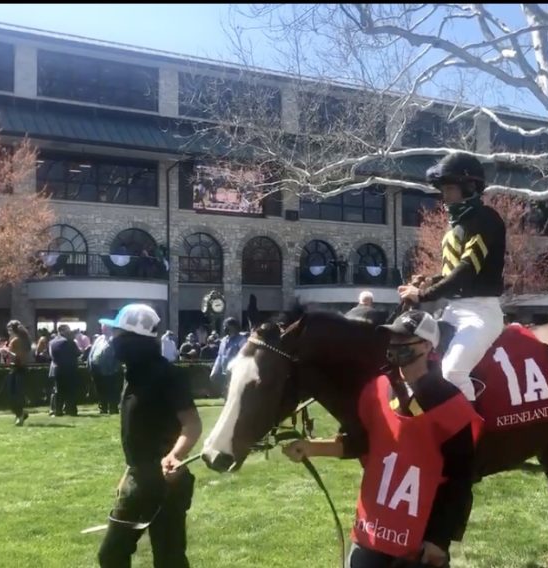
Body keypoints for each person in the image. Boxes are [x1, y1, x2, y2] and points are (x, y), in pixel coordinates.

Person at [283, 310, 481, 567]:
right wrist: (311, 447)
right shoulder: (378, 389)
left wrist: (439, 539)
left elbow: (460, 479)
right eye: (392, 339)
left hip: (419, 540)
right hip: (372, 528)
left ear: (426, 345)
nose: (395, 345)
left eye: (403, 339)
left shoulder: (452, 405)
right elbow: (362, 441)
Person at [97, 304, 202, 568]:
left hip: (167, 481)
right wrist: (127, 473)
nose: (113, 340)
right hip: (137, 478)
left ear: (135, 339)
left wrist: (175, 456)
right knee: (111, 554)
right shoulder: (132, 374)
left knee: (169, 559)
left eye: (118, 334)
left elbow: (192, 425)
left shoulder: (169, 375)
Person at [398, 152, 506, 401]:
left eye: (449, 189)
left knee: (452, 373)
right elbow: (450, 274)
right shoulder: (454, 227)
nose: (444, 196)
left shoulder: (485, 219)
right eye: (442, 190)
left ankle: (470, 432)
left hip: (482, 314)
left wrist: (422, 294)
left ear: (469, 188)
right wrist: (428, 281)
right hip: (452, 312)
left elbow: (465, 272)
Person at [0, 320, 33, 426]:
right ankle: (21, 414)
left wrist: (6, 351)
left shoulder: (17, 340)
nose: (8, 331)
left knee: (14, 395)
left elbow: (18, 357)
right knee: (14, 395)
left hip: (18, 369)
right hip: (18, 369)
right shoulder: (21, 340)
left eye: (9, 329)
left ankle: (20, 415)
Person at [49, 324, 82, 417]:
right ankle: (71, 410)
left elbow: (51, 356)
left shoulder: (52, 342)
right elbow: (78, 353)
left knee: (58, 391)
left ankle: (57, 410)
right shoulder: (69, 342)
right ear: (63, 331)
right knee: (71, 390)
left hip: (57, 368)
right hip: (69, 369)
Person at [210, 317, 247, 396]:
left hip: (237, 374)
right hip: (225, 374)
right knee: (226, 396)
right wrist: (214, 371)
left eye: (226, 326)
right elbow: (220, 357)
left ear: (233, 327)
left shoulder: (242, 340)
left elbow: (245, 357)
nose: (224, 328)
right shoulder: (223, 340)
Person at [90, 324, 122, 415]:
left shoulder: (114, 340)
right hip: (97, 369)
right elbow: (93, 351)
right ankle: (103, 407)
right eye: (102, 328)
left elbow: (117, 355)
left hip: (110, 369)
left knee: (112, 389)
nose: (102, 329)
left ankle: (113, 408)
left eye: (105, 328)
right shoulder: (99, 339)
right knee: (100, 389)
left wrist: (115, 367)